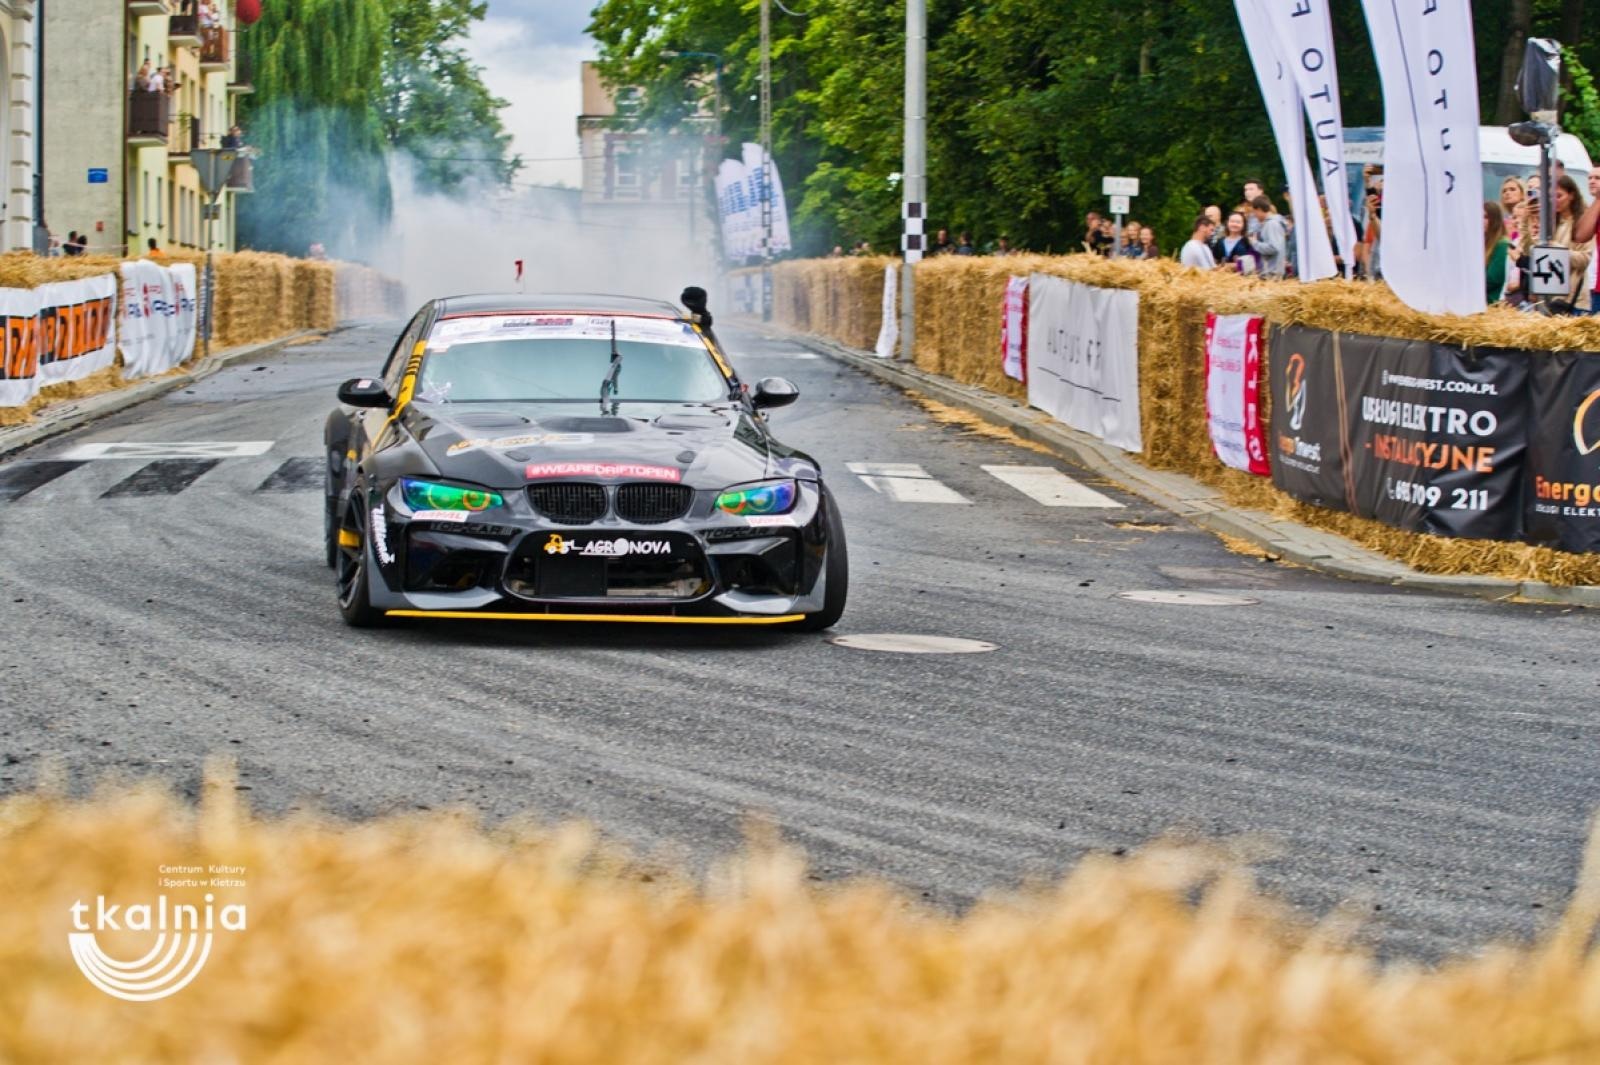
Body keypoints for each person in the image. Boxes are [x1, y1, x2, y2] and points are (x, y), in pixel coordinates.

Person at [1516, 173, 1593, 311]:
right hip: (1548, 297)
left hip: (1574, 299)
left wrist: (1557, 249)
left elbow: (1584, 259)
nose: (1554, 200)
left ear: (1571, 195)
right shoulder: (1550, 223)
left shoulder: (1582, 222)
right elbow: (1529, 251)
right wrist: (1526, 221)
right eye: (1551, 197)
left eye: (1558, 196)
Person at [1250, 195, 1288, 278]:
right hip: (1271, 272)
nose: (1254, 215)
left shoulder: (1272, 224)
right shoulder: (1270, 223)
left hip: (1272, 274)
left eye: (1254, 212)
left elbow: (1274, 248)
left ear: (1259, 209)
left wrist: (1255, 243)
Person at [1484, 203, 1511, 304]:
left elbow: (1492, 279)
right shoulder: (1483, 245)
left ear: (1494, 220)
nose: (1480, 220)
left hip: (1492, 301)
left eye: (1485, 217)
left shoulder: (1502, 244)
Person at [1500, 176, 1526, 243]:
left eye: (1512, 189)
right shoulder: (1503, 223)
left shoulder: (1529, 217)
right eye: (1504, 191)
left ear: (1522, 193)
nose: (1507, 193)